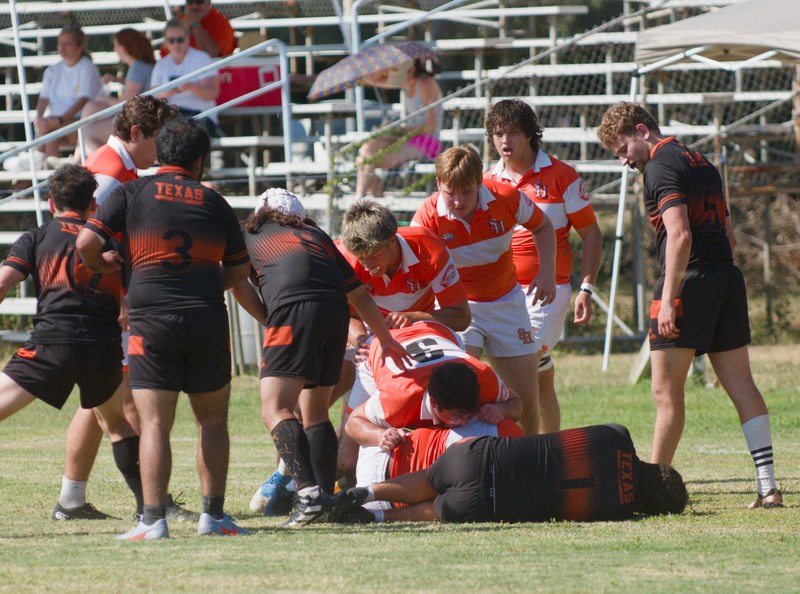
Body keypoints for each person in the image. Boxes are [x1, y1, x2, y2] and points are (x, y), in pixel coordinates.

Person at [596, 101, 783, 509]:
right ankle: (768, 486)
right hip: (726, 277)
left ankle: (647, 492)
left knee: (665, 393)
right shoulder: (701, 161)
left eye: (623, 148)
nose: (625, 161)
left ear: (643, 131)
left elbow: (679, 236)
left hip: (689, 281)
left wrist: (668, 299)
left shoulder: (659, 167)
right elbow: (729, 235)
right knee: (742, 386)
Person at [77, 117, 251, 539]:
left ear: (160, 154)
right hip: (206, 318)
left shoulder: (131, 193)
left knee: (154, 423)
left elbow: (84, 244)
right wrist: (206, 285)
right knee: (212, 421)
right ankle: (214, 517)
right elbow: (240, 269)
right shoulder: (215, 203)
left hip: (151, 320)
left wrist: (108, 266)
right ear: (199, 160)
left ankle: (153, 520)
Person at [250, 199, 471, 515]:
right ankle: (286, 478)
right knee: (305, 407)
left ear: (392, 239)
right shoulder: (342, 254)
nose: (368, 265)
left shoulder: (427, 247)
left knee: (346, 462)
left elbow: (461, 317)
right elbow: (342, 306)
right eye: (362, 258)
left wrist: (417, 316)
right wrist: (359, 335)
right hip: (363, 337)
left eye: (374, 255)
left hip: (417, 339)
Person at [231, 188, 410, 527]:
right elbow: (357, 292)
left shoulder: (248, 231)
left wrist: (270, 319)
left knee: (275, 408)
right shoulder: (315, 233)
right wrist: (385, 339)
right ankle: (324, 498)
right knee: (315, 414)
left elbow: (238, 284)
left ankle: (309, 494)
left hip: (293, 311)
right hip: (335, 315)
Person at [53, 96, 188, 522]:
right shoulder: (110, 175)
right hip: (105, 302)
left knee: (99, 402)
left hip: (96, 298)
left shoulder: (116, 167)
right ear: (136, 133)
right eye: (157, 141)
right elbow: (79, 243)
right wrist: (118, 298)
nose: (161, 151)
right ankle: (154, 504)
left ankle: (71, 500)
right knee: (126, 402)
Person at [0, 163, 143, 522]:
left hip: (52, 345)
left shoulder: (36, 237)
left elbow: (2, 284)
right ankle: (149, 509)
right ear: (93, 205)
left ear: (51, 203)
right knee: (119, 426)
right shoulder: (107, 242)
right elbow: (125, 291)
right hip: (102, 347)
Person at [412, 145, 557, 435]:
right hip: (458, 311)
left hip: (507, 303)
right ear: (438, 183)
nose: (457, 201)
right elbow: (416, 270)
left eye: (466, 191)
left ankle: (531, 465)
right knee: (455, 392)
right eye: (450, 191)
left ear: (480, 181)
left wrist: (547, 273)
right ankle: (458, 462)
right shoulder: (426, 217)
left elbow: (543, 226)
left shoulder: (506, 196)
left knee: (526, 401)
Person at [484, 99, 602, 433]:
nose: (505, 141)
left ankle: (529, 459)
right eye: (497, 133)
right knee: (539, 374)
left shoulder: (562, 176)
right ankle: (552, 454)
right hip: (501, 294)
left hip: (546, 292)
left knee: (518, 374)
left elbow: (591, 234)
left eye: (513, 133)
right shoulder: (487, 180)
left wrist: (587, 287)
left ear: (530, 135)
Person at [330, 424, 689, 524]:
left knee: (428, 478)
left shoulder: (619, 435)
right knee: (439, 505)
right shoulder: (621, 510)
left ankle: (370, 492)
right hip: (482, 504)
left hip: (478, 455)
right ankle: (379, 517)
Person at [345, 321, 523, 452]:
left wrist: (502, 408)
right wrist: (379, 435)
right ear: (433, 402)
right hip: (377, 351)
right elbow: (353, 423)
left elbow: (517, 403)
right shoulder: (395, 400)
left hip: (438, 332)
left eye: (470, 413)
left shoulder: (484, 378)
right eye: (457, 416)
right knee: (347, 458)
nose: (465, 422)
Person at [356, 59, 443, 198]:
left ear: (412, 69)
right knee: (366, 152)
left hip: (427, 142)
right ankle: (371, 201)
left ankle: (360, 200)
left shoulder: (425, 82)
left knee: (366, 161)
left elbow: (430, 126)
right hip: (407, 136)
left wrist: (397, 131)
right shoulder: (406, 82)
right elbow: (371, 80)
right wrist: (365, 74)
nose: (392, 72)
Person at [79, 29, 157, 156]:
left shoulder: (138, 66)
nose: (115, 49)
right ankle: (80, 159)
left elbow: (126, 104)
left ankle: (91, 165)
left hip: (139, 124)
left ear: (123, 47)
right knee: (91, 107)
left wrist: (103, 98)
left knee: (86, 132)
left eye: (115, 45)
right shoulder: (141, 65)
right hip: (141, 120)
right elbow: (137, 88)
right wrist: (117, 80)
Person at [34, 25, 101, 157]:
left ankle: (37, 164)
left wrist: (58, 120)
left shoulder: (88, 68)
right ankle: (46, 167)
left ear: (80, 46)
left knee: (49, 133)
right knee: (50, 136)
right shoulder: (52, 70)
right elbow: (44, 98)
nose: (61, 47)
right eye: (60, 43)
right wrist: (39, 118)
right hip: (56, 124)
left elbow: (83, 101)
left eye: (67, 43)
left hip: (84, 123)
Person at [151, 20, 220, 137]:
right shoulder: (161, 65)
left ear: (188, 38)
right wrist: (169, 90)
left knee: (181, 135)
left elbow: (213, 93)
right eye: (171, 40)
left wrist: (190, 86)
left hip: (201, 115)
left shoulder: (202, 58)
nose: (176, 44)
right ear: (165, 42)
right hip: (172, 116)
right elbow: (153, 97)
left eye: (180, 40)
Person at [161, 0, 237, 59]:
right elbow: (166, 54)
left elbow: (213, 56)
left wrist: (195, 24)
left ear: (208, 1)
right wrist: (184, 28)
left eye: (199, 1)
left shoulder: (221, 23)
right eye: (190, 1)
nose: (194, 6)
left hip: (213, 73)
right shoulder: (180, 21)